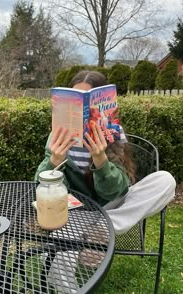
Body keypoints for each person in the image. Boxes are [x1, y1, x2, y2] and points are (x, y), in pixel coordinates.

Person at [34, 70, 176, 293]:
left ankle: (103, 228)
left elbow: (118, 190)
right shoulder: (57, 136)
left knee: (165, 180)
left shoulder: (113, 133)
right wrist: (54, 161)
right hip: (77, 213)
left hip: (112, 207)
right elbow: (41, 186)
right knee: (54, 258)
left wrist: (100, 160)